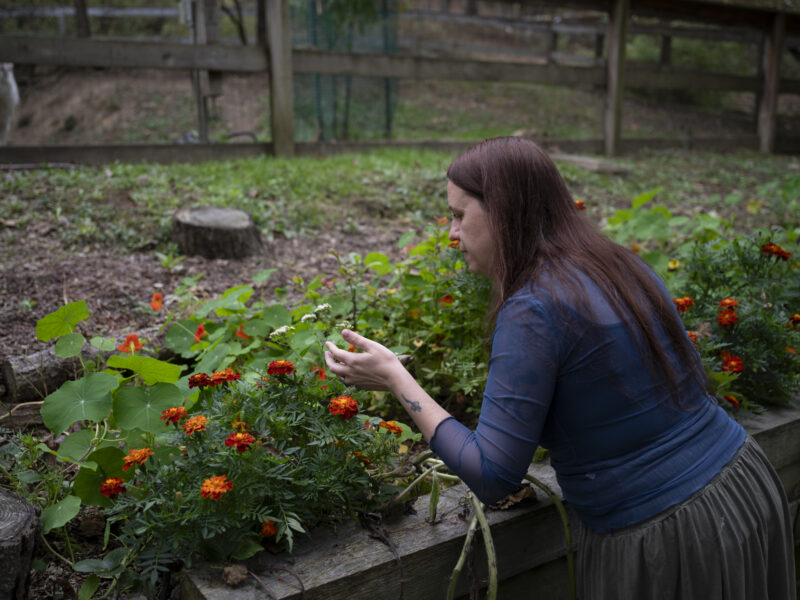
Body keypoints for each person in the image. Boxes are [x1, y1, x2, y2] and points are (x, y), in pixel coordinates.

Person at [324, 136, 796, 599]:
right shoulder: (618, 264)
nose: (450, 233)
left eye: (459, 215)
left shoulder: (533, 310)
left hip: (666, 536)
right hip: (743, 485)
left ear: (505, 211)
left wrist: (395, 377)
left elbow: (492, 475)